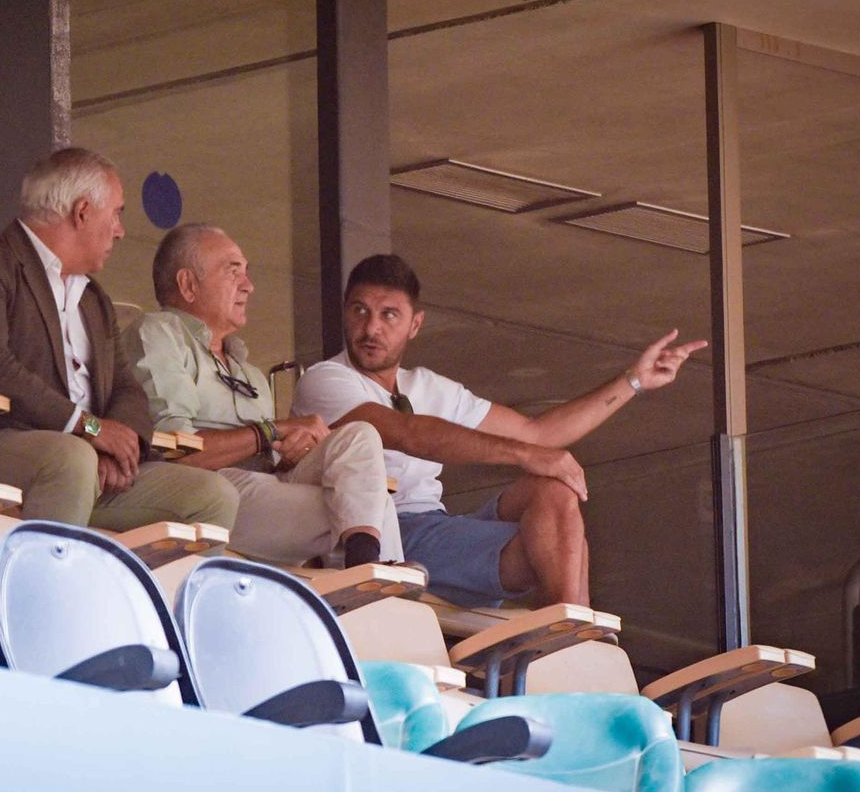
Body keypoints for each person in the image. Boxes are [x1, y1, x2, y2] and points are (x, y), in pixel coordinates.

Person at [292, 253, 706, 607]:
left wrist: (633, 381)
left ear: (415, 325)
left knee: (553, 490)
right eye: (359, 310)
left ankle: (569, 630)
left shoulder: (430, 386)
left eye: (389, 315)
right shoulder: (326, 379)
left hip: (436, 527)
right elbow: (409, 433)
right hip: (383, 531)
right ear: (345, 310)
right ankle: (571, 647)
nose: (371, 328)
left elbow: (539, 434)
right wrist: (527, 456)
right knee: (551, 526)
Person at [0, 148, 239, 532]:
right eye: (117, 212)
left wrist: (115, 449)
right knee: (71, 459)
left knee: (214, 496)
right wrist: (87, 429)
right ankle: (41, 590)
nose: (121, 230)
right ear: (82, 211)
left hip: (83, 463)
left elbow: (127, 388)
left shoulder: (93, 298)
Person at [127, 224, 401, 568]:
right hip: (206, 489)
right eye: (233, 272)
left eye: (247, 273)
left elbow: (269, 460)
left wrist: (291, 453)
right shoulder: (158, 332)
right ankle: (371, 582)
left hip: (263, 485)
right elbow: (178, 451)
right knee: (363, 508)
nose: (248, 285)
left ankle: (369, 575)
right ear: (188, 285)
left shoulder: (249, 372)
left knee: (361, 437)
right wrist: (270, 432)